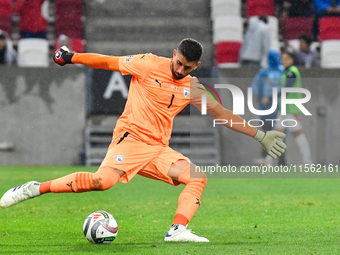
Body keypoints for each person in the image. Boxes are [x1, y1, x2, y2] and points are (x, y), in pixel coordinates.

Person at [0, 38, 287, 242]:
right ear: (173, 54)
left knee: (197, 177)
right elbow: (107, 62)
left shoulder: (193, 88)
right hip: (131, 139)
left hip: (158, 149)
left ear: (196, 66)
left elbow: (222, 113)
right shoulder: (148, 64)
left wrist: (260, 134)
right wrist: (72, 56)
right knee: (102, 182)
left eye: (187, 67)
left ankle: (177, 230)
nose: (180, 70)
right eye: (178, 63)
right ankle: (34, 189)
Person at [265, 51, 312, 165]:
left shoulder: (292, 72)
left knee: (298, 134)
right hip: (284, 109)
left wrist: (271, 98)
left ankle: (307, 161)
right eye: (283, 59)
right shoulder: (286, 72)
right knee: (278, 133)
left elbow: (287, 88)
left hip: (292, 109)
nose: (283, 61)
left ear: (292, 60)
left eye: (286, 59)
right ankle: (269, 161)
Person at [251, 50, 284, 164]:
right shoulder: (266, 72)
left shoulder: (280, 71)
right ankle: (267, 158)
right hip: (268, 107)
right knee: (268, 133)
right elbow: (256, 87)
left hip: (277, 107)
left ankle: (279, 160)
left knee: (276, 133)